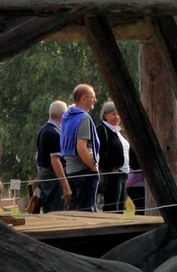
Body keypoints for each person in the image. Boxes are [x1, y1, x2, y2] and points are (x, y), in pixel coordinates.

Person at [59, 84, 100, 212]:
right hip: (84, 171)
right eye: (92, 97)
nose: (95, 100)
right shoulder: (83, 118)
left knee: (75, 211)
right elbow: (81, 147)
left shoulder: (67, 117)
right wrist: (94, 168)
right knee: (87, 211)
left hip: (71, 170)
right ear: (83, 99)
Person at [95, 101, 131, 213]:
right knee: (112, 207)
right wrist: (111, 167)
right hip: (112, 174)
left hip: (123, 173)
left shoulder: (118, 131)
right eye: (113, 114)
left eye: (118, 114)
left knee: (120, 207)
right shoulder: (102, 131)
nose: (117, 117)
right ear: (105, 115)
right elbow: (100, 152)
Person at [33, 100, 67, 214]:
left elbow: (37, 156)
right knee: (56, 208)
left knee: (49, 206)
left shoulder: (43, 129)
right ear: (63, 115)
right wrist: (65, 185)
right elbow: (55, 161)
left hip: (45, 174)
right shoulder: (54, 133)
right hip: (53, 176)